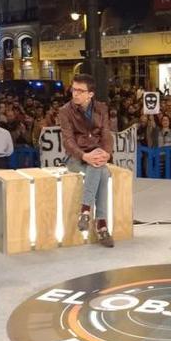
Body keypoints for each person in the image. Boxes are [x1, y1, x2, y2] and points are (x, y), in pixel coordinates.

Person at [59, 73, 115, 248]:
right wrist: (85, 156)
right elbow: (68, 142)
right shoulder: (65, 111)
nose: (75, 93)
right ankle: (101, 225)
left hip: (96, 154)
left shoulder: (101, 108)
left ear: (90, 94)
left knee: (99, 168)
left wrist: (106, 153)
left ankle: (85, 212)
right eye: (73, 89)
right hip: (76, 157)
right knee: (102, 171)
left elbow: (106, 133)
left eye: (79, 91)